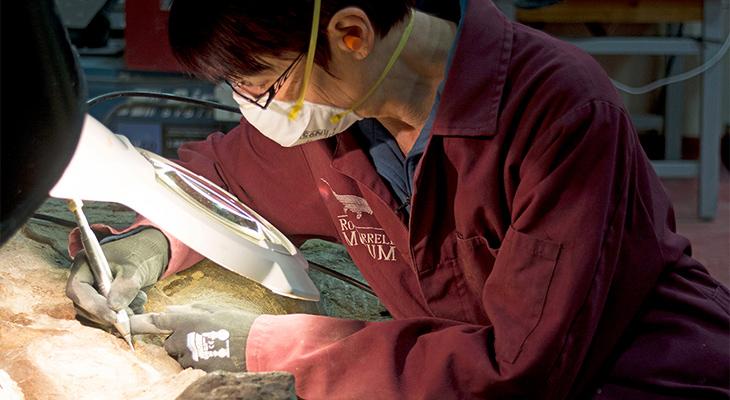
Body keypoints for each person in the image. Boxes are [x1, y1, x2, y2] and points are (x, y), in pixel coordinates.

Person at [65, 0, 730, 398]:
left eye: (264, 84)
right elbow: (223, 176)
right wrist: (148, 241)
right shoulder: (338, 114)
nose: (255, 109)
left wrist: (258, 344)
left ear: (350, 33)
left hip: (637, 378)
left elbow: (521, 371)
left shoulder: (558, 114)